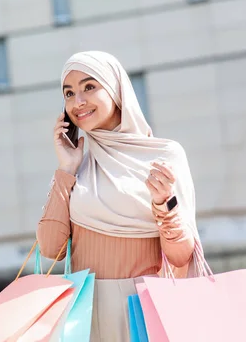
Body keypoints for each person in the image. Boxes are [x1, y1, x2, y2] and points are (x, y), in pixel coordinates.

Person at [37, 51, 199, 341]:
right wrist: (66, 170)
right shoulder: (77, 166)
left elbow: (180, 255)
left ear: (116, 90)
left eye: (89, 87)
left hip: (144, 310)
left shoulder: (163, 155)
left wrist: (164, 204)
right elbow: (51, 248)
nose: (78, 102)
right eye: (69, 93)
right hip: (84, 315)